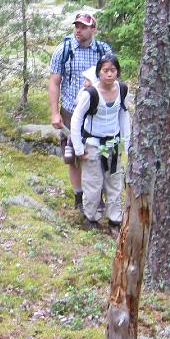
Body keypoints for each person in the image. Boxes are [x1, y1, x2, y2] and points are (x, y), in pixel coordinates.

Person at [48, 12, 113, 209]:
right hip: (70, 110)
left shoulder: (103, 50)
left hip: (96, 112)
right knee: (73, 156)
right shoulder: (64, 50)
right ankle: (79, 197)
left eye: (83, 26)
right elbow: (54, 82)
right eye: (77, 26)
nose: (78, 30)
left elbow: (112, 78)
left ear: (93, 29)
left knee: (98, 153)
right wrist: (55, 113)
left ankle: (96, 196)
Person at [70, 55, 131, 228]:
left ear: (117, 72)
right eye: (105, 71)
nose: (109, 74)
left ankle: (115, 218)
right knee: (93, 183)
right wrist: (79, 148)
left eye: (113, 70)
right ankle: (91, 217)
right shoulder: (90, 94)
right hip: (93, 144)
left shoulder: (122, 90)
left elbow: (124, 116)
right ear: (99, 73)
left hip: (114, 144)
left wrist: (127, 145)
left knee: (114, 182)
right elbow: (76, 119)